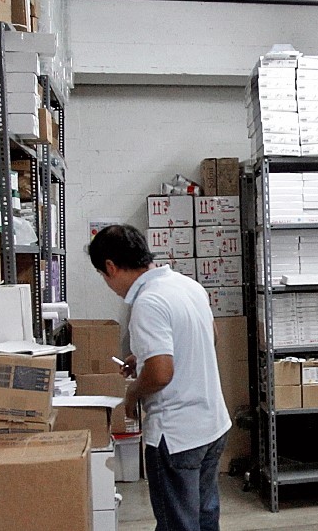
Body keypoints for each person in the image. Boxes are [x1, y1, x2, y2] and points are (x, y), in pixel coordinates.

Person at [88, 224, 231, 531]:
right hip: (212, 425)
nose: (107, 283)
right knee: (206, 519)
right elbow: (211, 337)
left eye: (102, 275)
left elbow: (161, 373)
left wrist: (133, 394)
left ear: (111, 267)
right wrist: (144, 357)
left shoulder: (147, 302)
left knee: (177, 524)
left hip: (177, 435)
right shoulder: (186, 285)